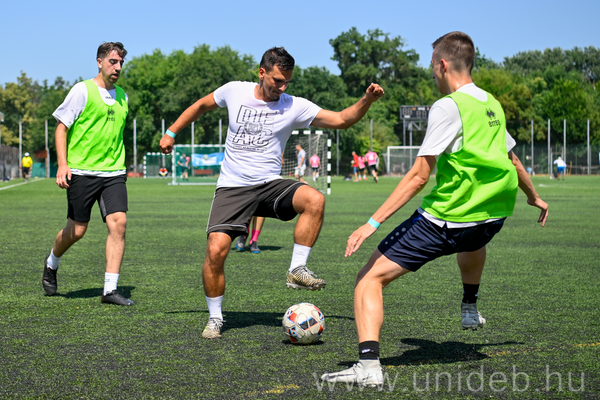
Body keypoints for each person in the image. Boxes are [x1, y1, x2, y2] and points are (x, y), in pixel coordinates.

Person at [321, 32, 548, 386]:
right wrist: (533, 196)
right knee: (474, 240)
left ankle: (368, 367)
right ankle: (469, 307)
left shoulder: (448, 106)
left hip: (447, 219)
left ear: (443, 64)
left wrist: (371, 223)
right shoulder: (491, 103)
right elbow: (511, 158)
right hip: (494, 216)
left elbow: (418, 176)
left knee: (368, 279)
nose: (432, 74)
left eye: (432, 66)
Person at [159, 46, 384, 339]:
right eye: (278, 80)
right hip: (232, 187)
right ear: (262, 72)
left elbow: (342, 119)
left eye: (287, 81)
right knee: (215, 251)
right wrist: (172, 132)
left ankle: (297, 269)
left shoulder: (294, 105)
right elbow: (201, 105)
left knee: (314, 199)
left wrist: (367, 100)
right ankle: (215, 318)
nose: (282, 87)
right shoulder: (234, 91)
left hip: (269, 185)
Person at [42, 42, 133, 306]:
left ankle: (110, 290)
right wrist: (62, 165)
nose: (117, 67)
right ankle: (51, 262)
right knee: (78, 230)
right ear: (99, 62)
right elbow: (61, 128)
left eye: (121, 63)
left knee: (119, 224)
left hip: (114, 173)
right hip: (81, 172)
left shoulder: (123, 96)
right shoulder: (81, 90)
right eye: (113, 62)